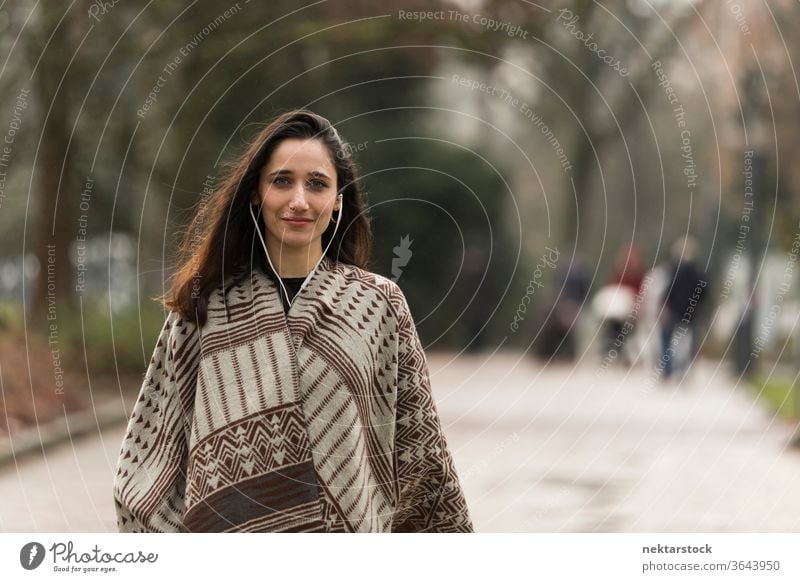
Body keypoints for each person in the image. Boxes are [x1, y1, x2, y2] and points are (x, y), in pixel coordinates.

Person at [113, 110, 473, 533]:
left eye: (317, 184)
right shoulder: (205, 305)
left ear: (338, 199)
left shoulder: (378, 305)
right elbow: (152, 451)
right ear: (255, 193)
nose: (299, 200)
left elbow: (420, 454)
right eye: (282, 181)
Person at [659, 236, 708, 381]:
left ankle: (668, 369)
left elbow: (668, 291)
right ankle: (684, 369)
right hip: (692, 313)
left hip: (675, 311)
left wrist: (664, 306)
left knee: (667, 337)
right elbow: (705, 292)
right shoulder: (698, 272)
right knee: (691, 342)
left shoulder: (674, 270)